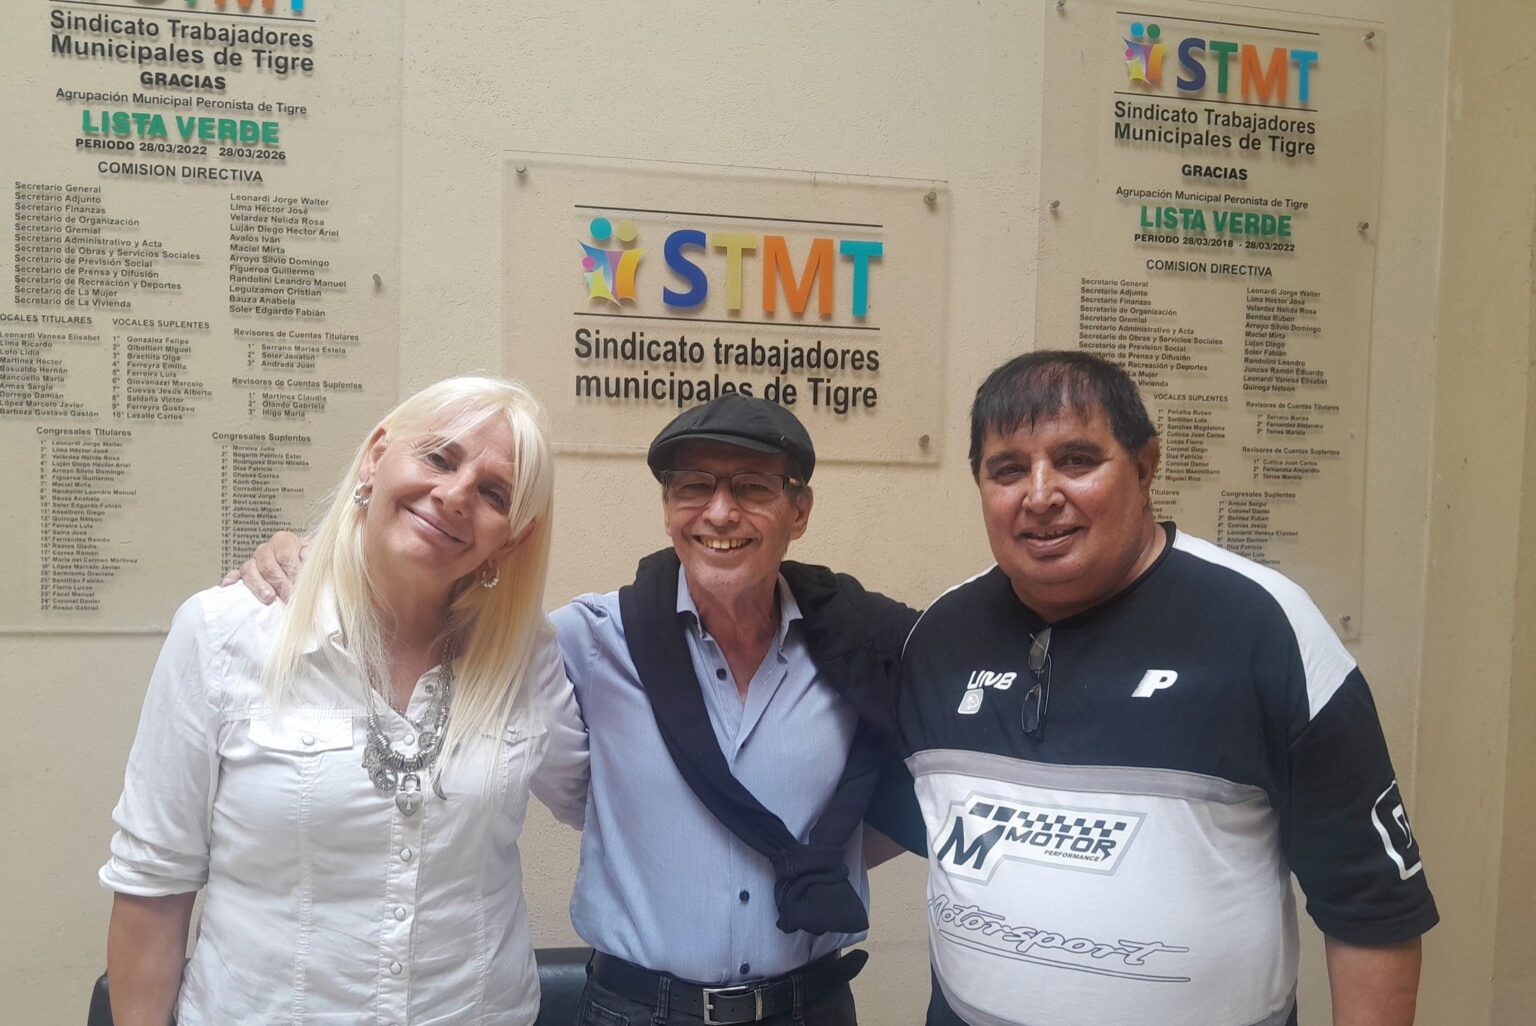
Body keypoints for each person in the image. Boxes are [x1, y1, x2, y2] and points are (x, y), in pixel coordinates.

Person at [232, 394, 920, 1026]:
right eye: (693, 487)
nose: (719, 513)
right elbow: (434, 604)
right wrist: (315, 555)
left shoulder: (862, 644)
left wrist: (824, 857)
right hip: (636, 1011)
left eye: (753, 488)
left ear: (799, 511)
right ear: (667, 508)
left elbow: (936, 773)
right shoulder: (584, 643)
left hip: (811, 1007)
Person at [897, 351, 1438, 1026]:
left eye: (1076, 460)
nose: (1039, 495)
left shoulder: (1264, 626)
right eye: (1007, 470)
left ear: (1146, 465)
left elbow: (1372, 907)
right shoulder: (939, 637)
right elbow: (894, 812)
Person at [101, 377, 587, 1026]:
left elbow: (604, 803)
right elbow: (153, 882)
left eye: (494, 494)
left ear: (513, 539)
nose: (454, 495)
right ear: (376, 457)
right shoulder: (224, 632)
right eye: (438, 458)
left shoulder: (527, 657)